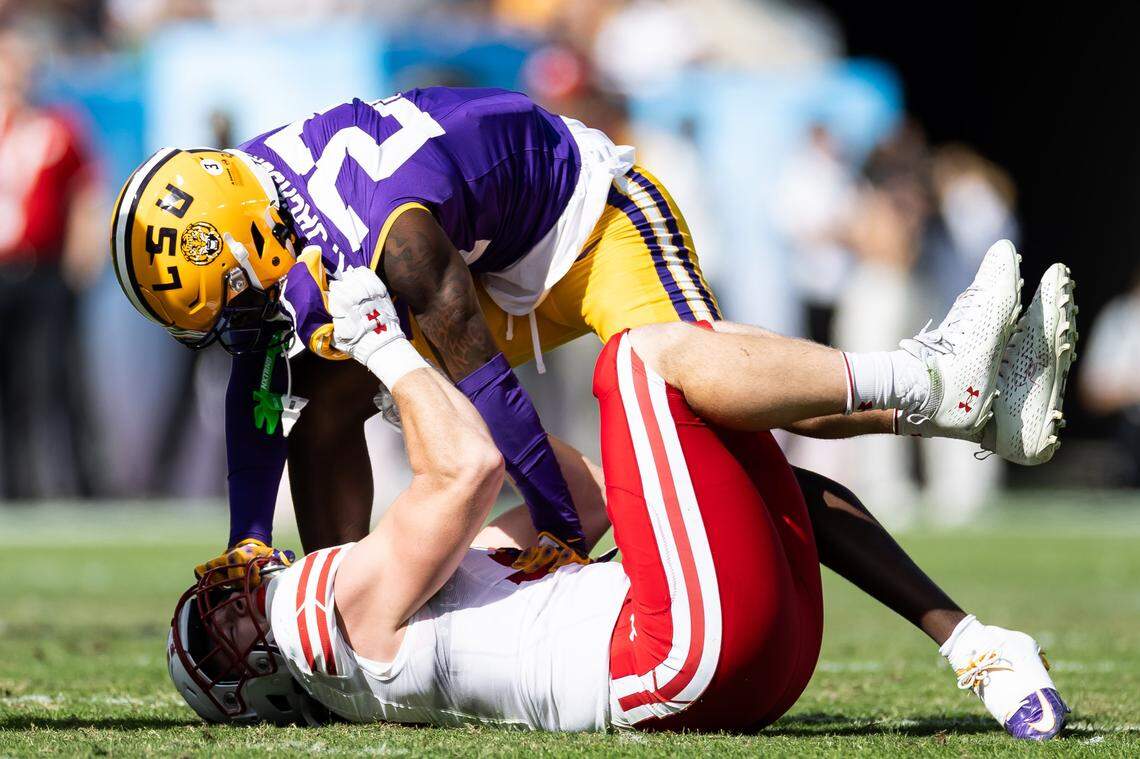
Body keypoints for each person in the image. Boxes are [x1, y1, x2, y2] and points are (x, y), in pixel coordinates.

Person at [112, 88, 1072, 717]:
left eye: (238, 302)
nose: (246, 328)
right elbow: (260, 382)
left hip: (579, 226)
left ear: (249, 233)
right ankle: (354, 595)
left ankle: (957, 519)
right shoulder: (266, 210)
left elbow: (492, 399)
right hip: (471, 265)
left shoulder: (388, 234)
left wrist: (561, 525)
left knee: (728, 408)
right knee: (316, 397)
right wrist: (249, 535)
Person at [169, 254, 1073, 738]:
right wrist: (387, 352)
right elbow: (470, 470)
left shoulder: (391, 605)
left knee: (717, 421)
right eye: (219, 626)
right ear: (258, 679)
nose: (234, 592)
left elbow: (581, 494)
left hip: (744, 662)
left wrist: (426, 386)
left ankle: (981, 644)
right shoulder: (324, 630)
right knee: (639, 353)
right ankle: (928, 386)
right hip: (677, 651)